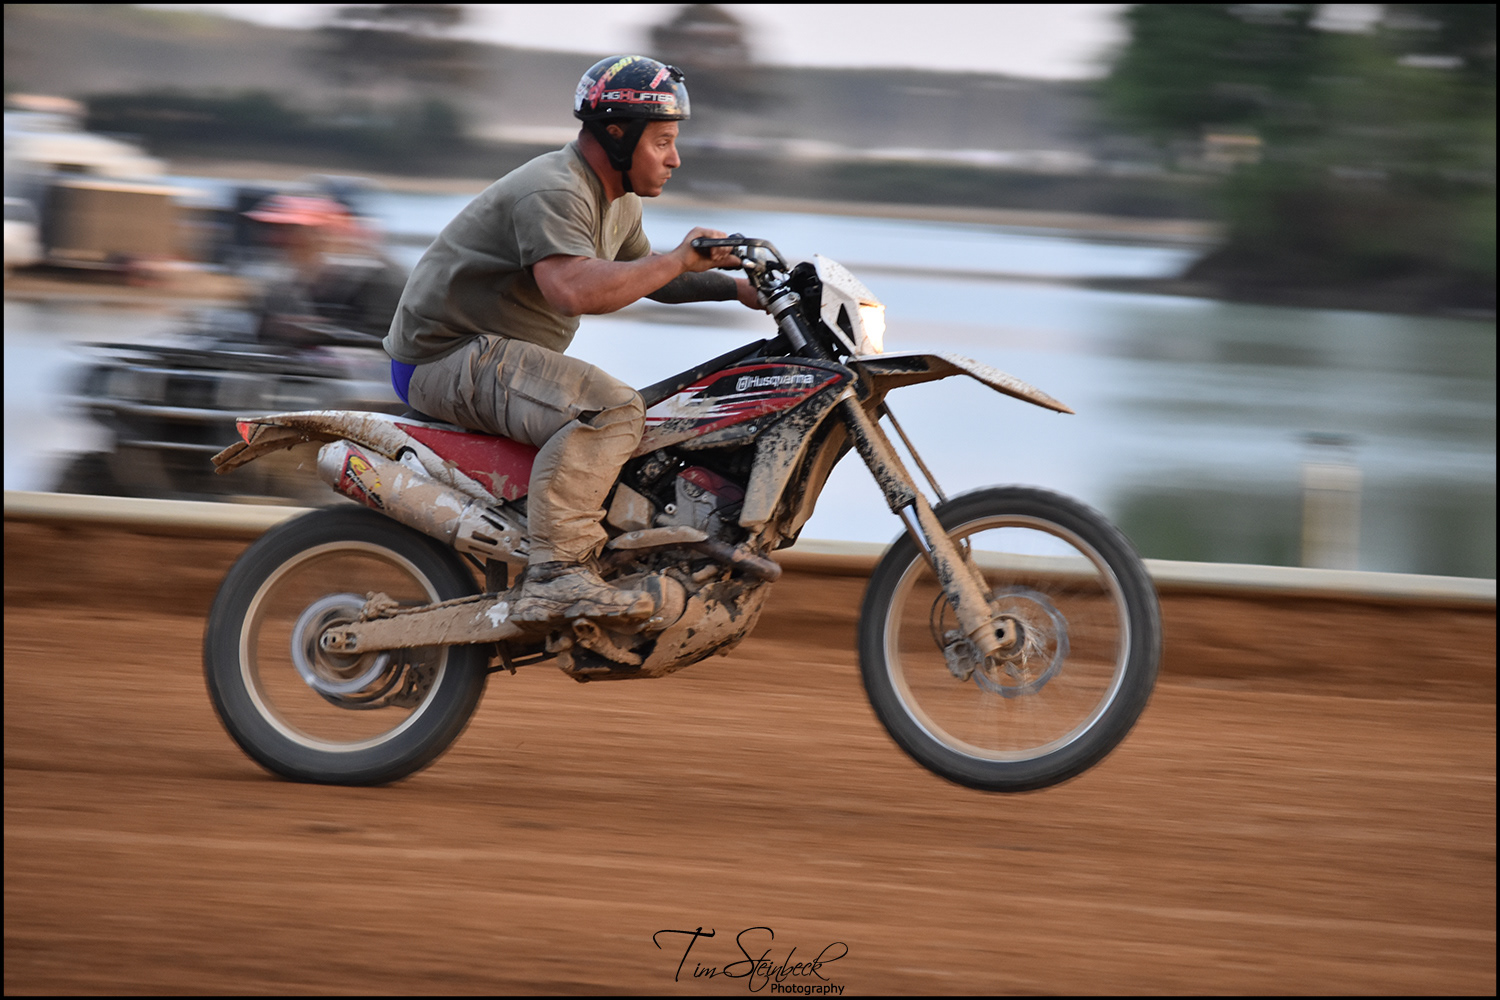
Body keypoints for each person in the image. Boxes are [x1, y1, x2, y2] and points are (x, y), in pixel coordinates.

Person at [382, 56, 758, 624]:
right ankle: (557, 575)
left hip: (480, 354)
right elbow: (572, 290)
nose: (674, 158)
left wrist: (740, 289)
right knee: (610, 410)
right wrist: (680, 257)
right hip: (445, 356)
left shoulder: (617, 198)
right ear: (618, 134)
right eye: (662, 142)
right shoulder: (555, 189)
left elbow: (650, 277)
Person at [243, 194, 406, 345]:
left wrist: (314, 333)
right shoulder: (284, 287)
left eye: (288, 230)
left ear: (324, 235)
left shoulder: (378, 278)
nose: (275, 239)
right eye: (271, 229)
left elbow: (392, 341)